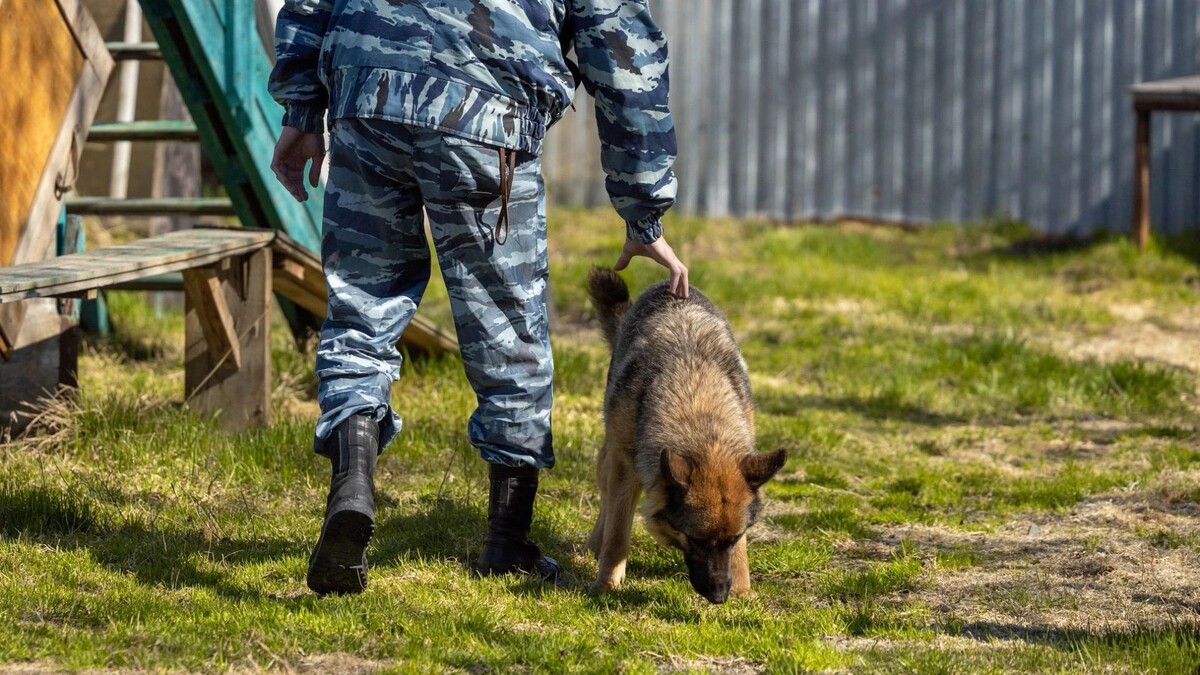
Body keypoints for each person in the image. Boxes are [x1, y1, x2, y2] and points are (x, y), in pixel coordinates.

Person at [268, 0, 688, 596]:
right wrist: (644, 208)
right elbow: (622, 47)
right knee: (506, 328)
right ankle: (506, 542)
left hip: (366, 89)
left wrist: (302, 106)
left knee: (361, 309)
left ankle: (354, 484)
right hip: (486, 108)